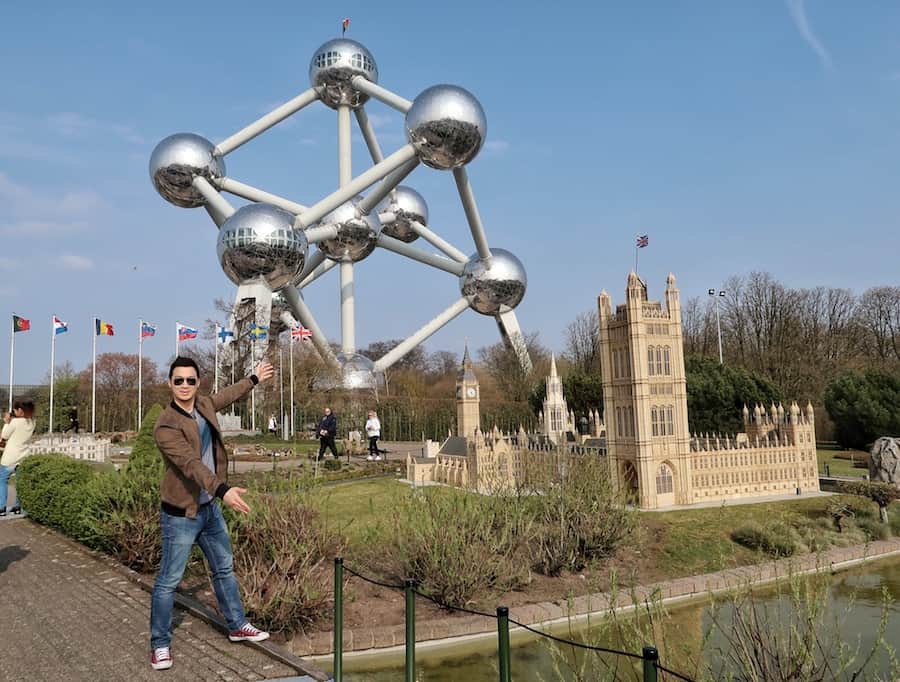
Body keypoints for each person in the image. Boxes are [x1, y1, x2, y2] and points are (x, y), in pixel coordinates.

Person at [149, 356, 274, 671]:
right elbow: (190, 464)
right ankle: (160, 644)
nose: (185, 386)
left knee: (223, 569)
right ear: (170, 384)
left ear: (197, 382)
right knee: (169, 581)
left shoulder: (203, 405)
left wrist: (254, 379)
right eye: (179, 381)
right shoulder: (166, 424)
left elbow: (228, 395)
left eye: (191, 380)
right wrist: (223, 490)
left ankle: (236, 625)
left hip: (209, 510)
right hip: (181, 514)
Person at [0, 399, 36, 516]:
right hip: (24, 456)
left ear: (20, 410)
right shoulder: (32, 422)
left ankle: (1, 507)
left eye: (15, 410)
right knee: (20, 483)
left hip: (10, 457)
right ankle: (17, 507)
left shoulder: (15, 422)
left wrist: (6, 422)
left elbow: (4, 435)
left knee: (2, 481)